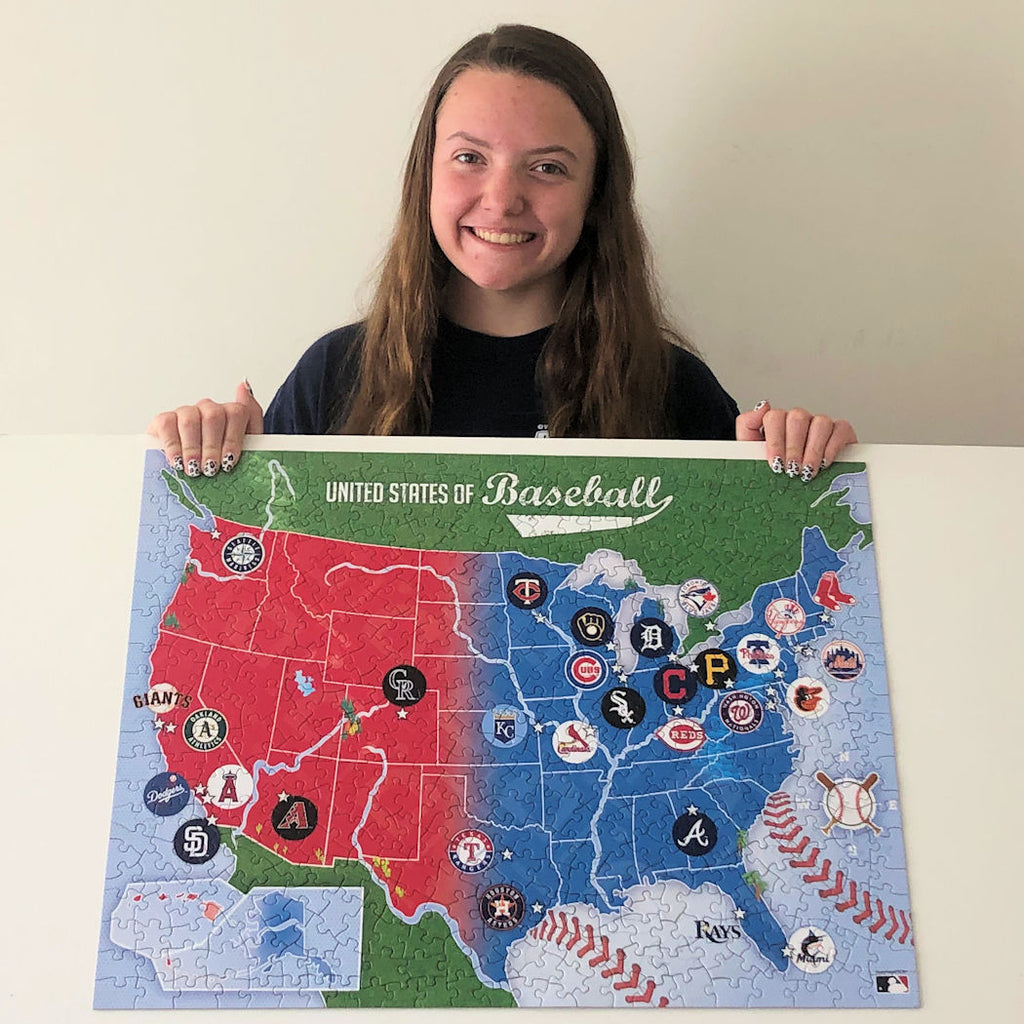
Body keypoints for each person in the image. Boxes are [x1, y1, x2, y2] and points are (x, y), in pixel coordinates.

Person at [148, 24, 855, 480]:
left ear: (596, 193)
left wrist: (801, 457)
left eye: (547, 167)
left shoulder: (671, 386)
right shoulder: (338, 373)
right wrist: (213, 453)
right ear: (425, 172)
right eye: (469, 158)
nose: (502, 198)